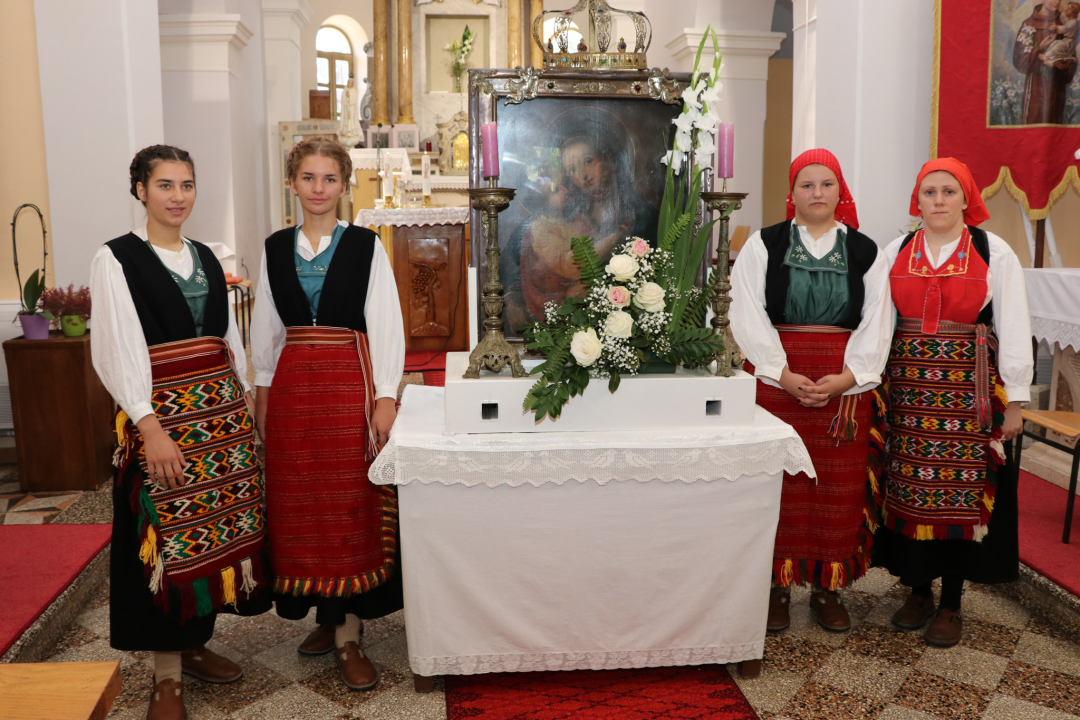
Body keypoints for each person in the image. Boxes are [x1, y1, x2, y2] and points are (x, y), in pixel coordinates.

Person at [90, 145, 271, 720]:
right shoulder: (117, 259)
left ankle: (194, 644)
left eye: (186, 185)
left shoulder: (208, 256)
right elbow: (114, 349)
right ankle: (165, 676)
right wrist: (148, 424)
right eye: (164, 185)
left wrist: (242, 395)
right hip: (162, 418)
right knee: (166, 536)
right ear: (140, 190)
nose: (177, 196)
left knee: (211, 535)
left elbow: (227, 336)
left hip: (219, 417)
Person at [251, 136, 404, 691]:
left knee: (346, 504)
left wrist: (384, 397)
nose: (318, 189)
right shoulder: (272, 248)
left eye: (330, 179)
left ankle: (348, 633)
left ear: (345, 185)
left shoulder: (366, 246)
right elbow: (265, 335)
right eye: (308, 178)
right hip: (293, 393)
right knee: (302, 504)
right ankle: (325, 610)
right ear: (292, 183)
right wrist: (262, 404)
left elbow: (386, 324)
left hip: (347, 388)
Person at [730, 149, 892, 634]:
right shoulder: (764, 244)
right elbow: (747, 312)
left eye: (826, 184)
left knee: (836, 489)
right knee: (777, 485)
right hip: (778, 381)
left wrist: (848, 378)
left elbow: (878, 320)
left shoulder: (867, 250)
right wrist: (781, 373)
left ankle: (828, 586)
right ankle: (777, 584)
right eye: (807, 184)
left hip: (843, 385)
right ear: (791, 193)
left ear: (840, 192)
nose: (817, 193)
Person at [872, 158, 1031, 647]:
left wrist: (1018, 400)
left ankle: (952, 603)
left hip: (970, 395)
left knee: (960, 496)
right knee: (911, 489)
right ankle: (918, 590)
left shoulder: (992, 250)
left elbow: (1015, 323)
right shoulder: (896, 250)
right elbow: (875, 323)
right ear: (916, 202)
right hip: (908, 394)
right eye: (929, 193)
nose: (938, 201)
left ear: (966, 199)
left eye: (948, 192)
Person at [502, 108, 659, 329]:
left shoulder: (644, 216)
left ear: (610, 158)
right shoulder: (564, 214)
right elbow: (512, 258)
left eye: (588, 161)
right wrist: (513, 295)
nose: (583, 176)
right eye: (572, 170)